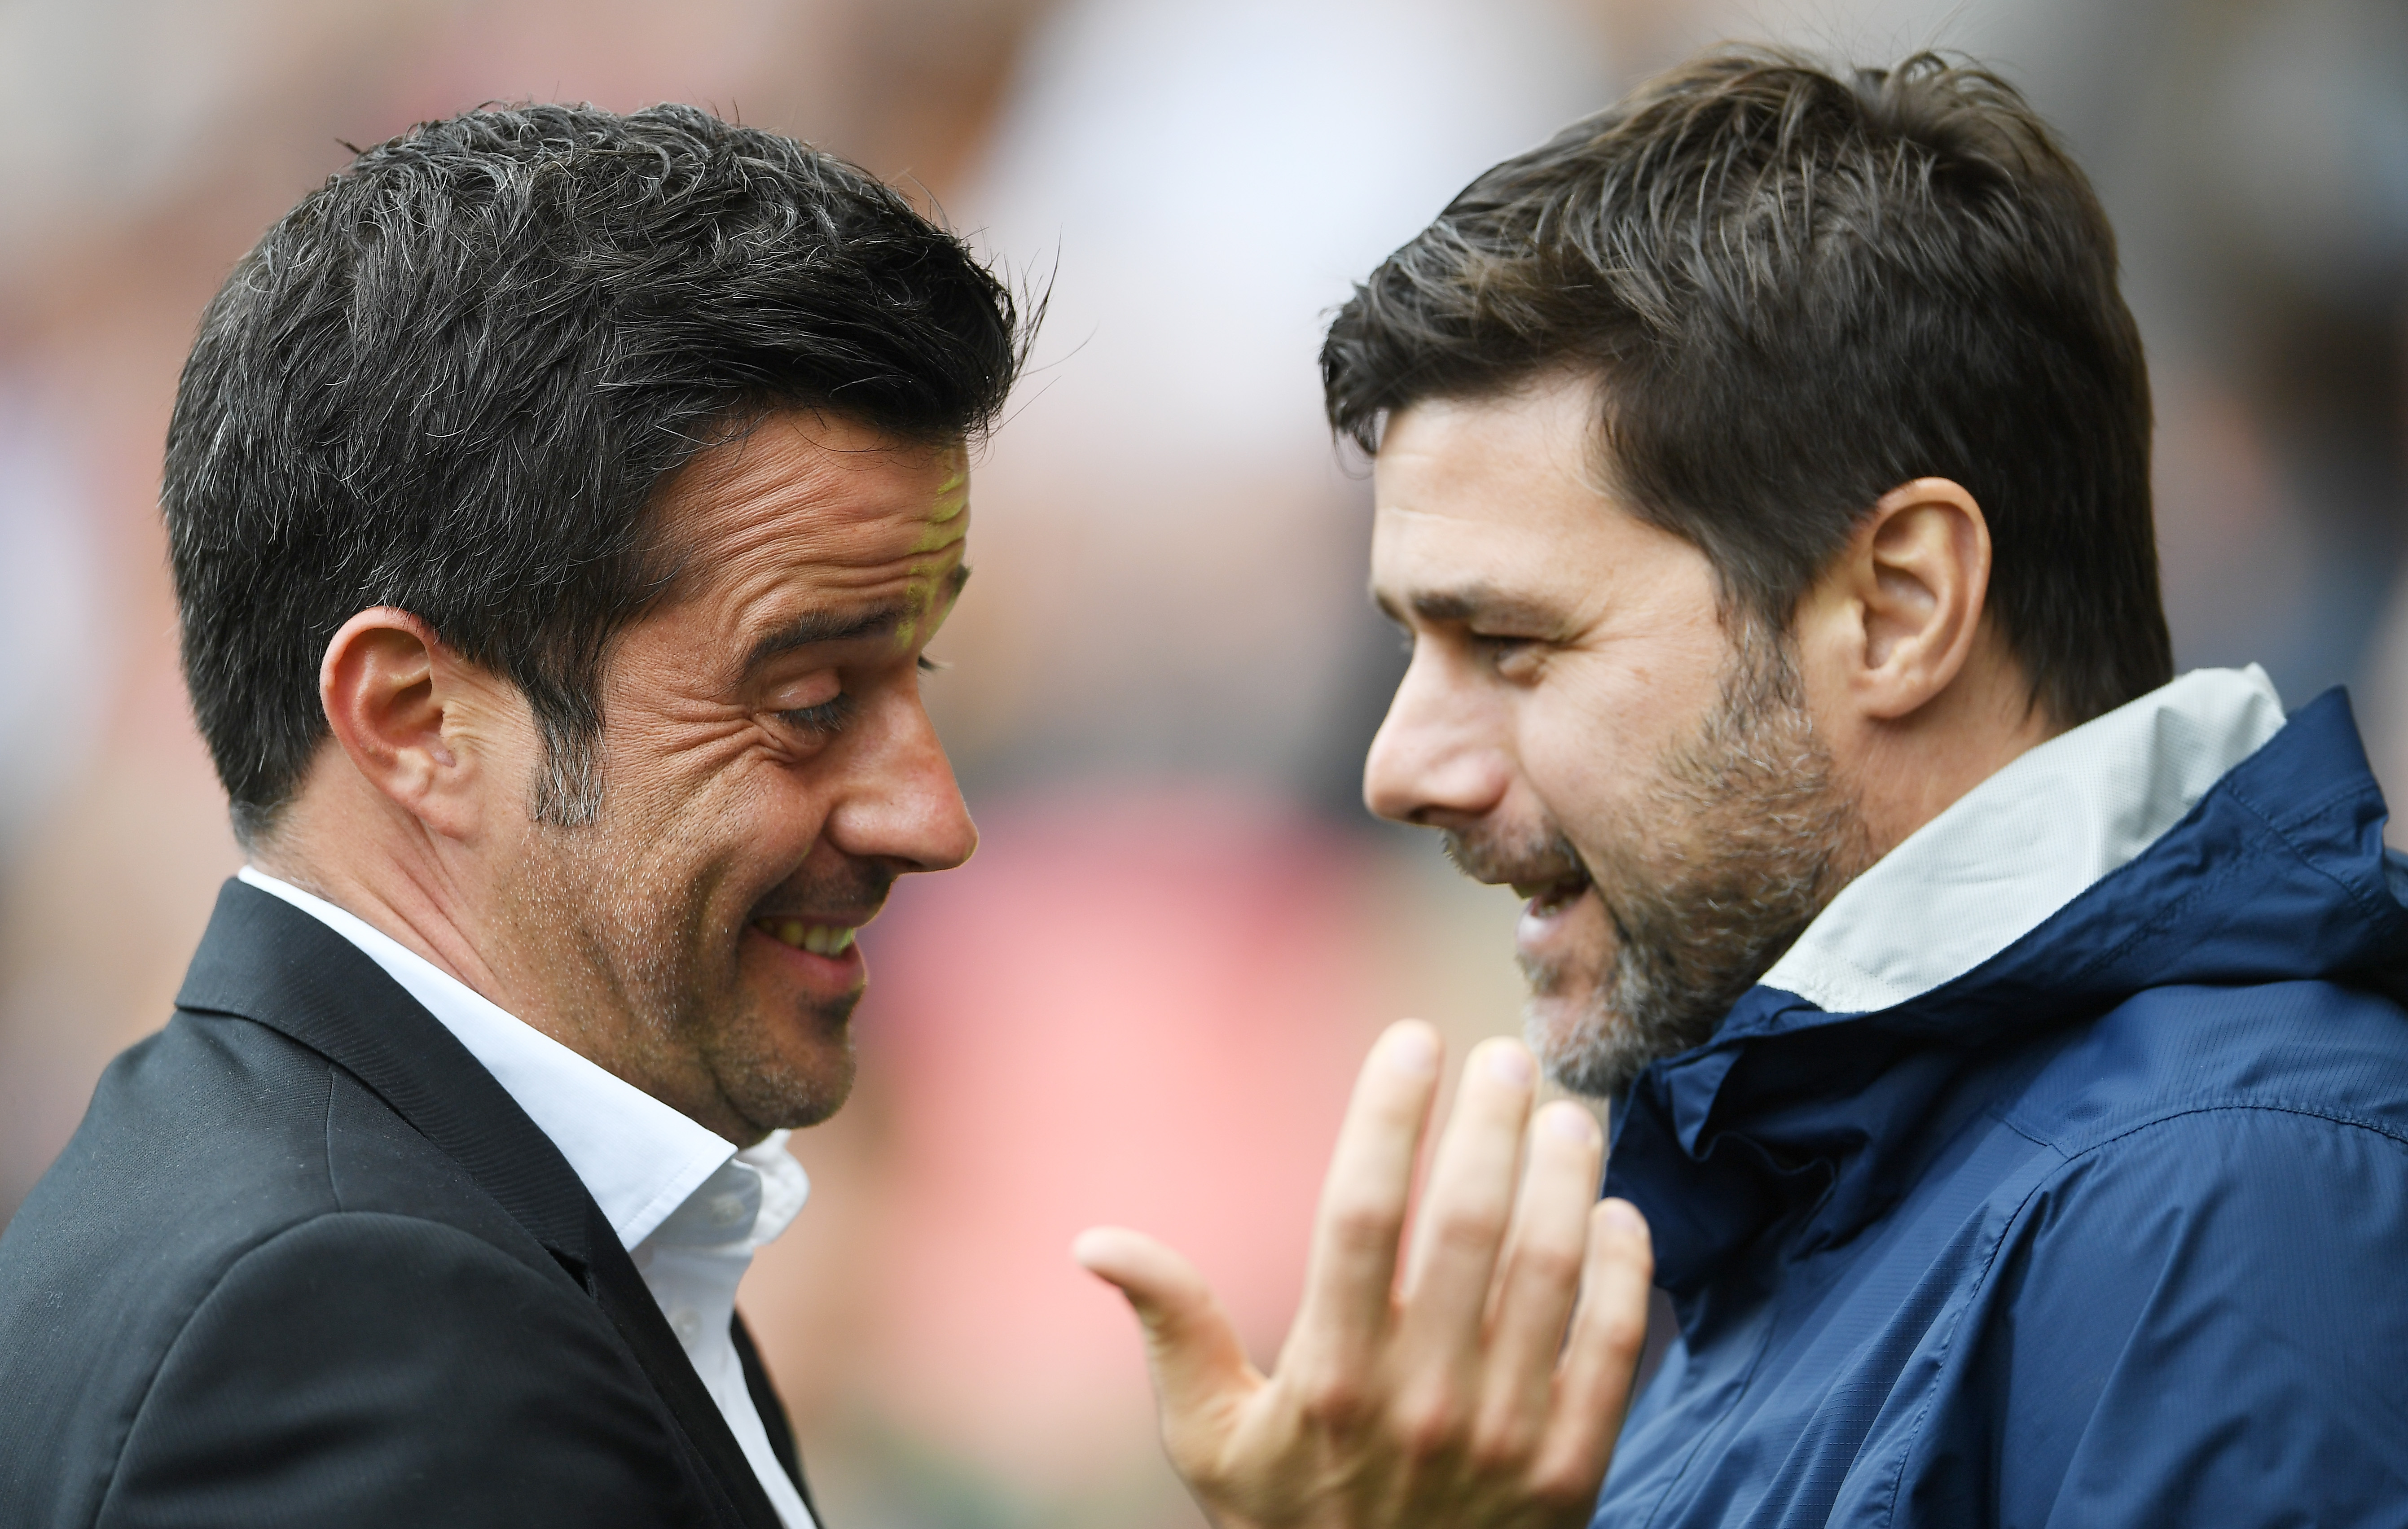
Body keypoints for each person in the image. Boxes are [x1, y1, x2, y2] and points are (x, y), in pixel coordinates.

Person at [0, 104, 1652, 1528]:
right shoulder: (357, 1318)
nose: (930, 814)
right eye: (807, 700)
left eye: (922, 671)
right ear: (420, 723)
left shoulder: (356, 1222)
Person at [1091, 44, 2408, 1529]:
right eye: (1410, 646)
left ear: (1899, 607)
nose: (1400, 771)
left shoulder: (2229, 1210)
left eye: (1511, 641)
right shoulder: (1792, 1170)